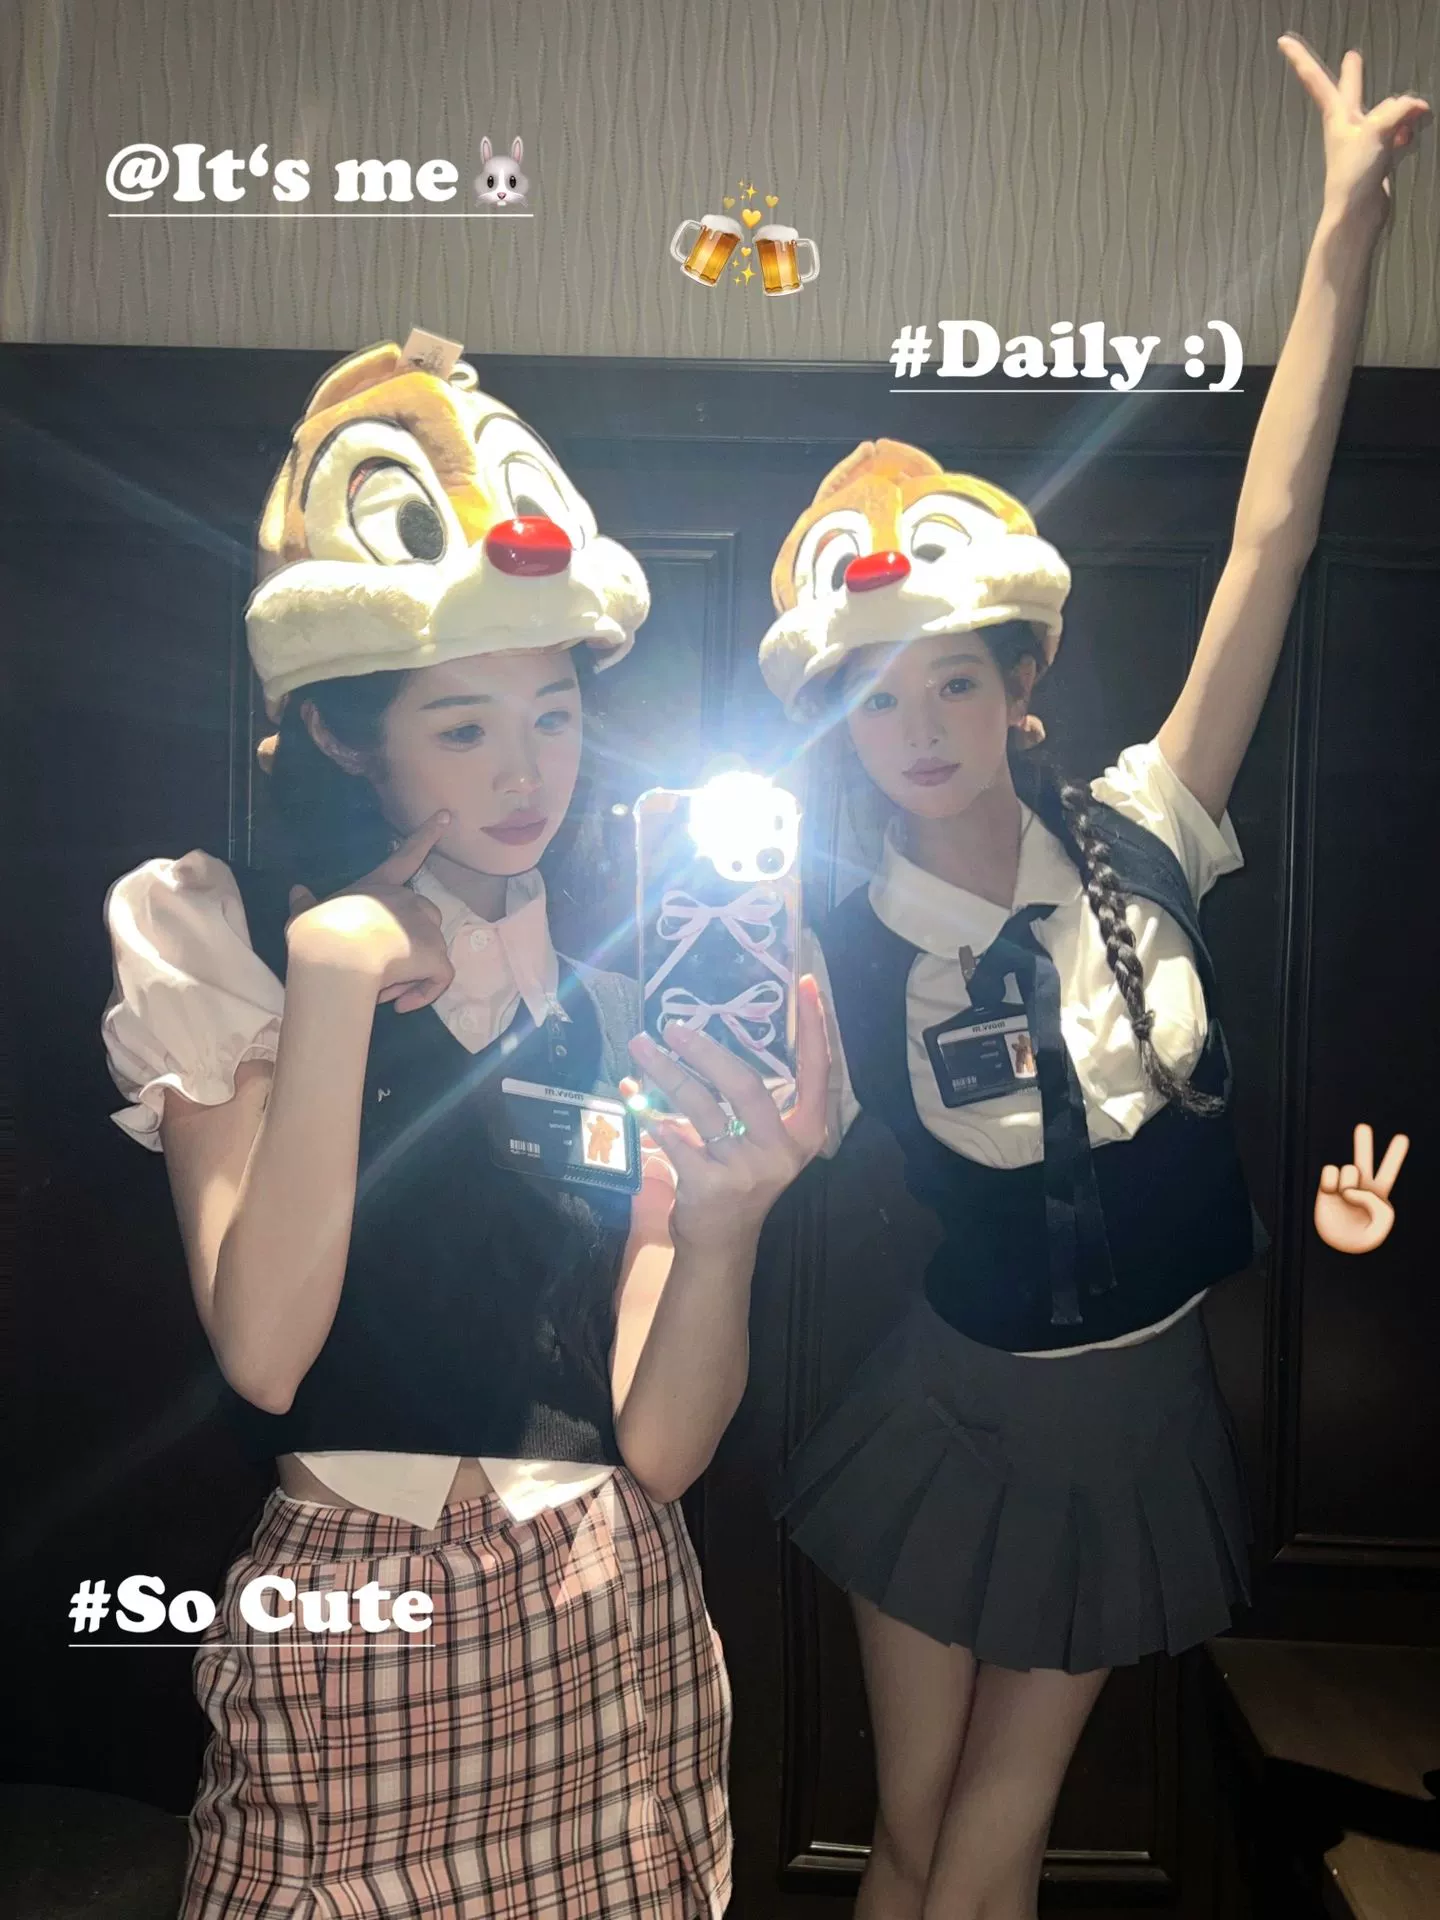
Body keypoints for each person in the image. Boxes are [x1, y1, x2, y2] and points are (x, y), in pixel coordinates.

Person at [752, 39, 1428, 1920]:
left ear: (1018, 681)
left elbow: (1273, 541)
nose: (920, 726)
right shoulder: (835, 931)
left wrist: (1343, 232)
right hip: (949, 1408)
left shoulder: (1146, 824)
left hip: (1136, 1423)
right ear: (838, 731)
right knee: (916, 1833)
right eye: (875, 699)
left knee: (1003, 1829)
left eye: (952, 680)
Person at [101, 333, 827, 1919]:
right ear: (351, 733)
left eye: (552, 717)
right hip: (349, 1614)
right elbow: (265, 1354)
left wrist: (728, 1225)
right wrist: (338, 977)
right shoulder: (227, 941)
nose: (524, 775)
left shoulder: (620, 1001)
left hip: (604, 1616)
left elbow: (663, 1445)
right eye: (463, 725)